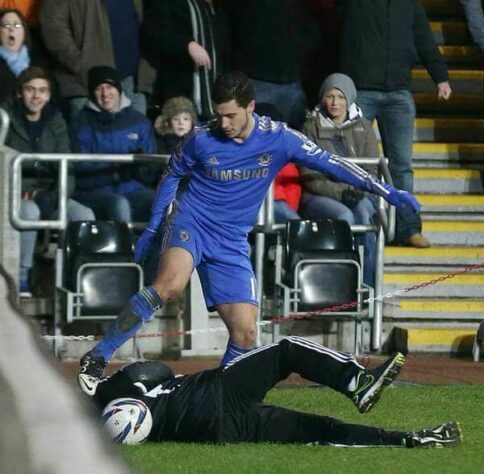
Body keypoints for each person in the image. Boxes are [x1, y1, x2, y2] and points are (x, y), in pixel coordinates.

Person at [77, 71, 420, 396]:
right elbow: (171, 175)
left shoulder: (280, 138)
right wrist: (153, 228)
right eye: (218, 115)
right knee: (170, 284)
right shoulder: (200, 139)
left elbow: (333, 163)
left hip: (231, 240)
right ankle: (98, 357)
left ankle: (218, 397)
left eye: (230, 116)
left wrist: (387, 191)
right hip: (191, 223)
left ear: (250, 107)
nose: (222, 124)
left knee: (246, 331)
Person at [91, 336, 461, 448]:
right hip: (220, 391)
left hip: (223, 433)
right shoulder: (126, 391)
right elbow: (157, 370)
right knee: (287, 349)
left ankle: (408, 441)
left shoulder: (150, 434)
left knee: (318, 431)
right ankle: (357, 382)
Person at [337, 0, 452, 248]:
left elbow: (424, 39)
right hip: (361, 92)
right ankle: (359, 226)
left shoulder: (410, 5)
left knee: (401, 168)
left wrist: (440, 77)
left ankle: (407, 229)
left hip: (398, 94)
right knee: (354, 163)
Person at [2, 66, 94, 295]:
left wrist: (58, 196)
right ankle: (21, 278)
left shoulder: (56, 120)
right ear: (19, 93)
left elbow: (67, 165)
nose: (36, 96)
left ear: (49, 95)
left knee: (83, 215)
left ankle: (78, 281)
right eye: (31, 89)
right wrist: (24, 191)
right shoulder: (5, 117)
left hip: (51, 193)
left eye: (42, 91)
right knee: (29, 212)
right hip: (14, 193)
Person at [300, 73, 378, 287]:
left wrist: (359, 191)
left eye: (341, 97)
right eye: (330, 96)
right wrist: (341, 192)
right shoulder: (310, 127)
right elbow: (309, 175)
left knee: (364, 215)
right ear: (322, 98)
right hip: (318, 196)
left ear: (350, 99)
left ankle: (368, 288)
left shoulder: (364, 126)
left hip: (356, 192)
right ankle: (343, 287)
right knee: (345, 217)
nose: (335, 103)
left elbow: (371, 168)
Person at [39, 0, 154, 120]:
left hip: (133, 80)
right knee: (88, 136)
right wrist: (79, 64)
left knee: (137, 135)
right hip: (87, 84)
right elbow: (52, 25)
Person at [70, 65, 157, 223]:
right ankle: (124, 248)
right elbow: (80, 171)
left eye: (109, 87)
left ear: (119, 89)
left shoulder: (139, 122)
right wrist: (115, 174)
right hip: (94, 192)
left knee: (165, 203)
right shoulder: (81, 124)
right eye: (99, 88)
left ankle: (163, 247)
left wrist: (140, 169)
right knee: (119, 204)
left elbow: (152, 170)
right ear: (92, 93)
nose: (105, 94)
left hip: (134, 189)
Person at [142, 0, 229, 121]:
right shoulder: (169, 4)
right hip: (180, 99)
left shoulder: (216, 9)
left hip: (212, 98)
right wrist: (188, 45)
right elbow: (152, 37)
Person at [0, 8, 45, 103]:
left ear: (24, 31)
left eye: (16, 25)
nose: (11, 29)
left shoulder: (38, 61)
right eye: (6, 25)